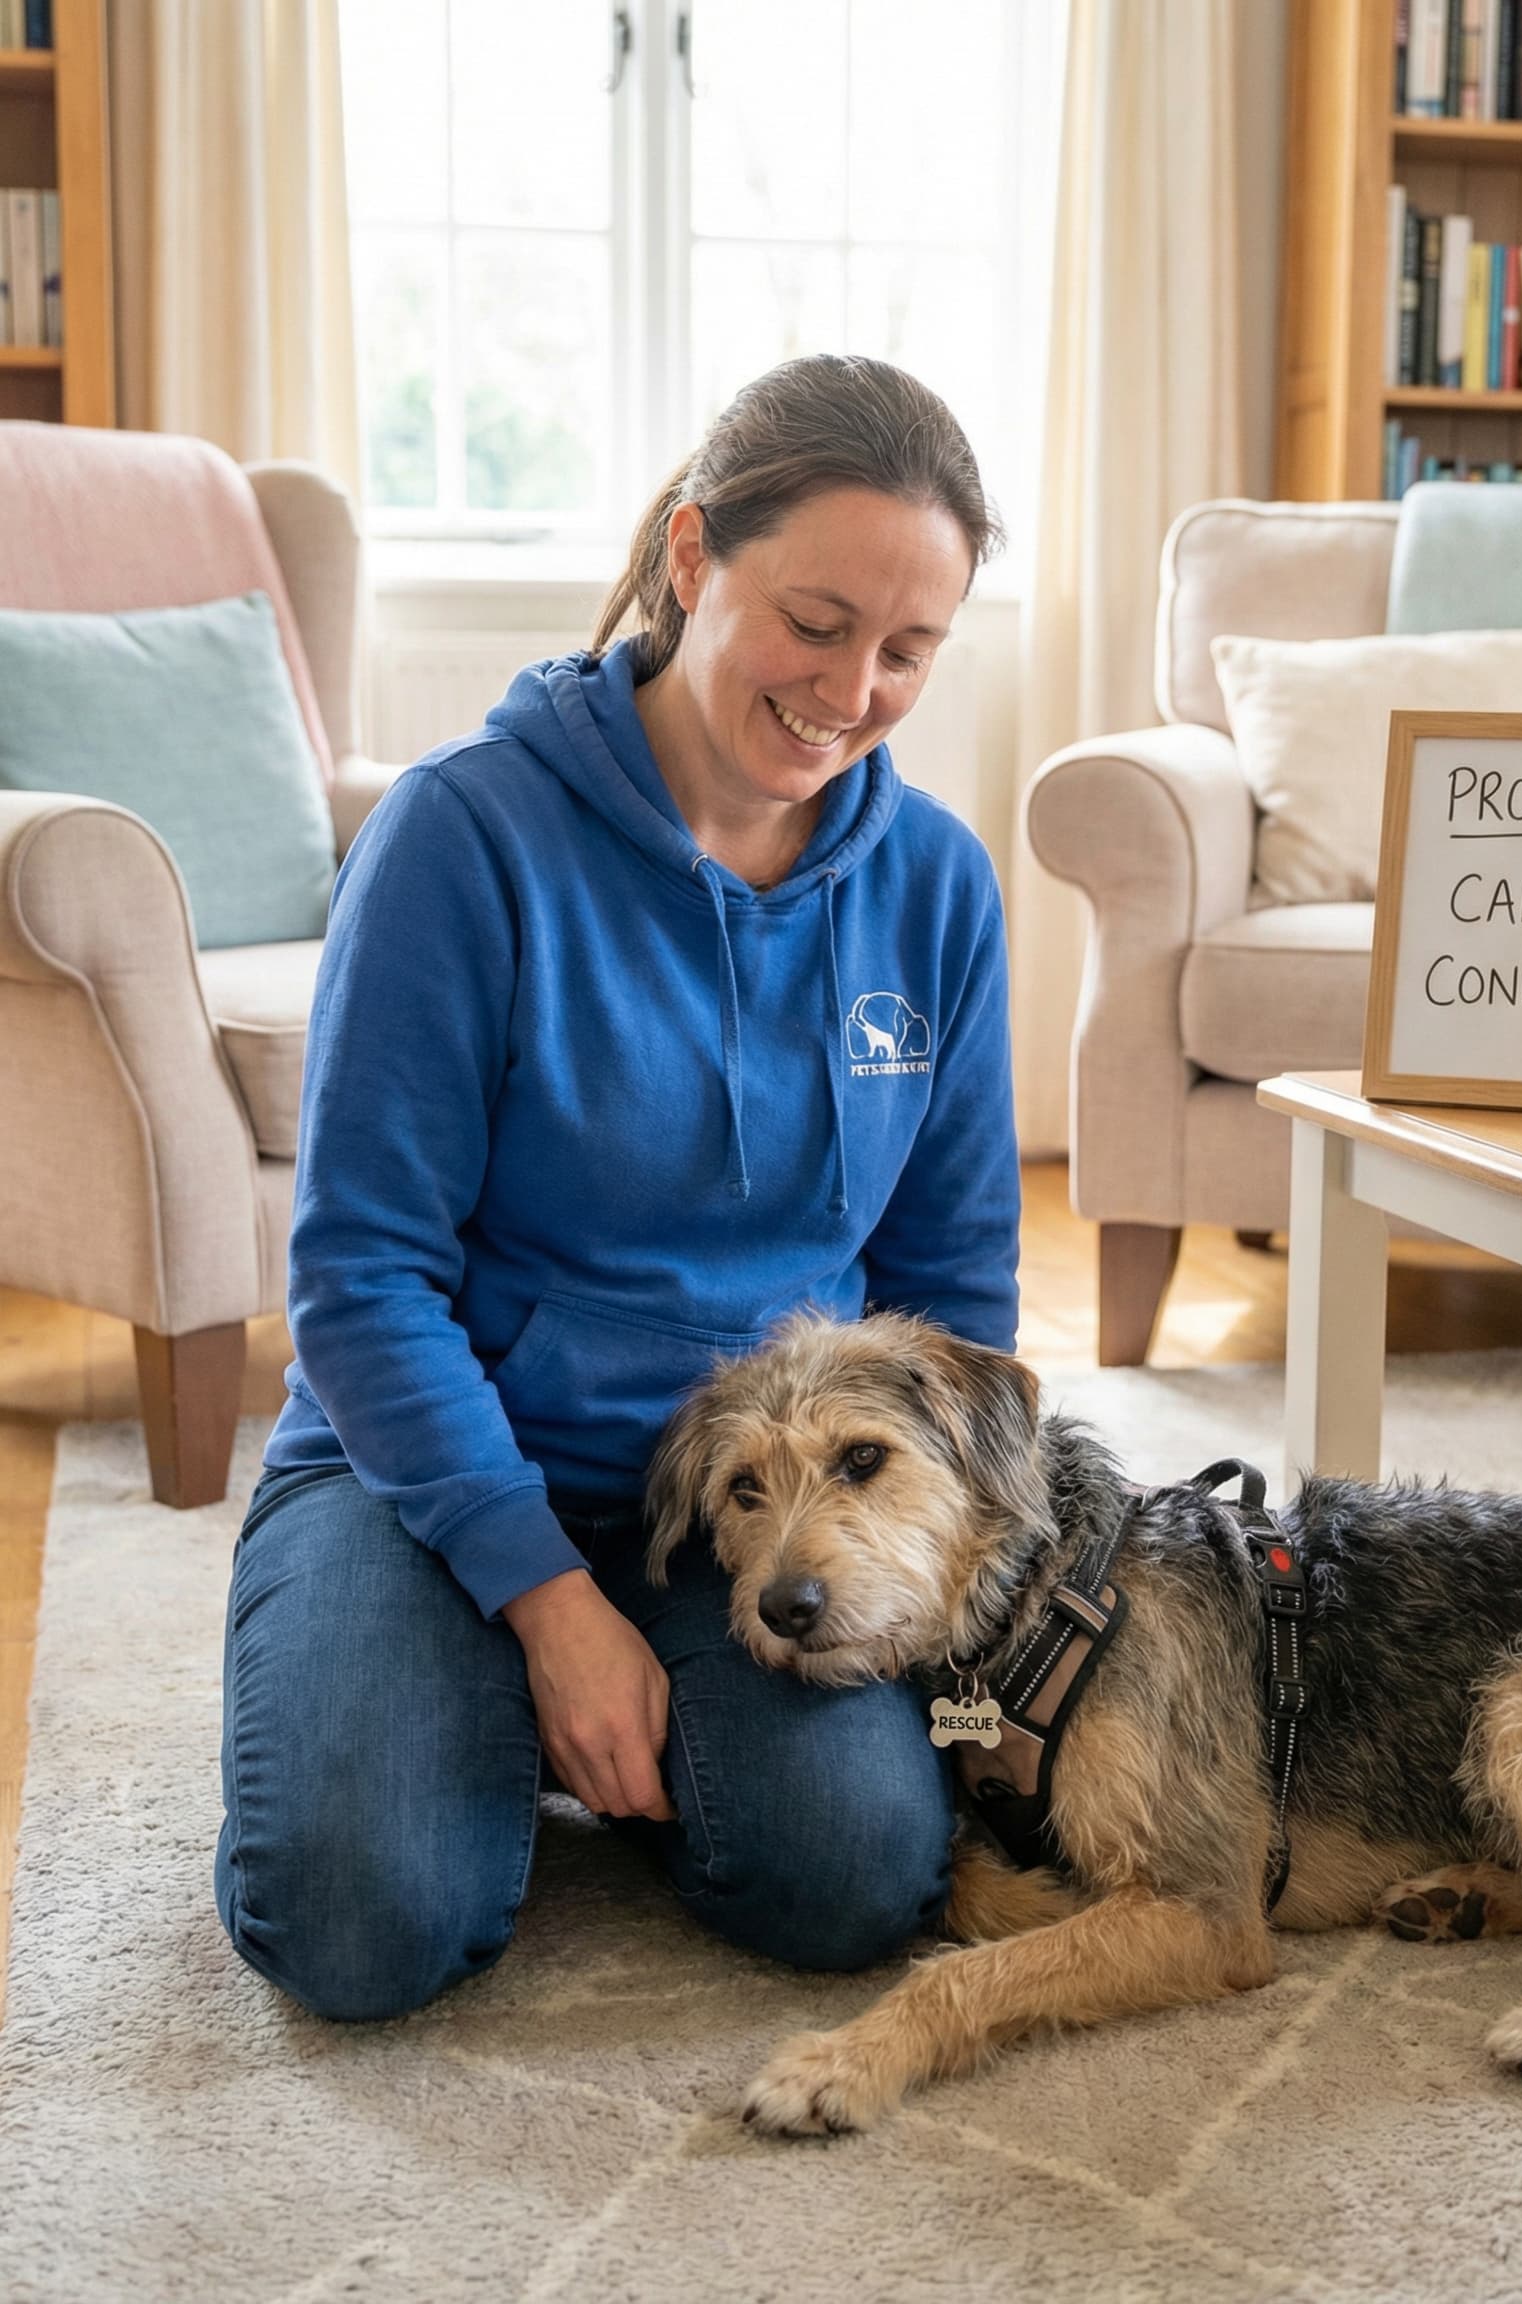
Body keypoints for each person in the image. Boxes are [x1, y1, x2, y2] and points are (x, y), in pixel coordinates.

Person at [215, 355, 1020, 2020]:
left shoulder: (935, 885)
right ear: (687, 557)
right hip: (436, 1472)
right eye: (815, 621)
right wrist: (551, 1605)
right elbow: (362, 1283)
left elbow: (953, 1295)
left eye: (907, 651)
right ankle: (453, 1688)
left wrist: (948, 1611)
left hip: (754, 1507)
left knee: (866, 1878)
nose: (852, 686)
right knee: (359, 1927)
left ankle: (605, 1738)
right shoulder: (462, 837)